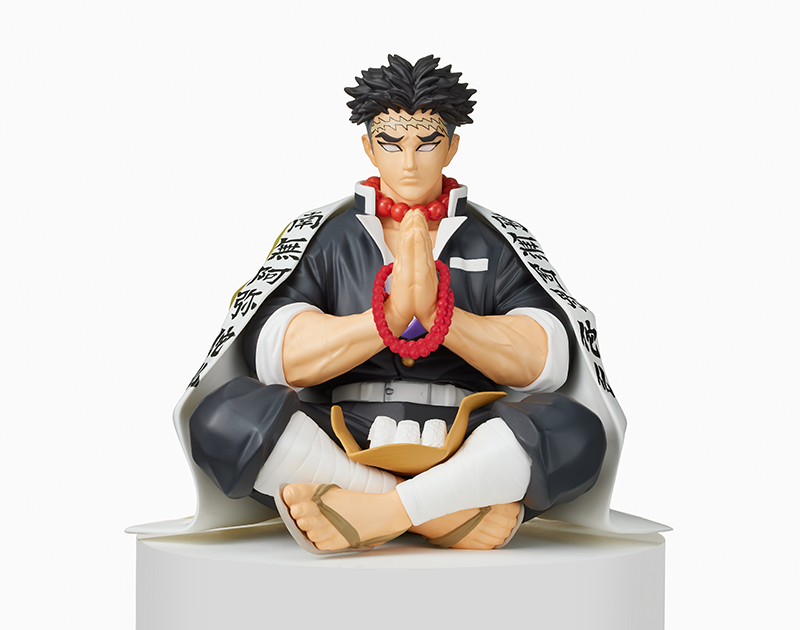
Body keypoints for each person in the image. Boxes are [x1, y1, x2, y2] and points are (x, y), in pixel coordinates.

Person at [129, 55, 666, 551]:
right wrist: (384, 318)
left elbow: (545, 362)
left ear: (452, 148)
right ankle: (441, 512)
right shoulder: (328, 234)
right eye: (391, 143)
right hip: (341, 427)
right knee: (222, 420)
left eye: (427, 143)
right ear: (368, 147)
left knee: (575, 432)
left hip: (467, 433)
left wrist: (442, 318)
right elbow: (277, 355)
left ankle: (373, 512)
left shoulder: (494, 239)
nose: (408, 163)